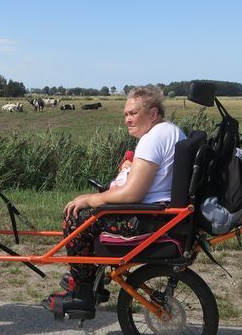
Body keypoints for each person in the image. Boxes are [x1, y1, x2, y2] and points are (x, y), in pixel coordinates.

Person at [42, 85, 186, 320]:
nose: (127, 120)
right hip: (162, 215)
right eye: (126, 115)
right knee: (90, 213)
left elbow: (133, 194)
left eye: (133, 113)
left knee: (76, 220)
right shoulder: (171, 131)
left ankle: (82, 295)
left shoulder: (152, 139)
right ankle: (86, 276)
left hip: (147, 221)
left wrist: (91, 199)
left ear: (152, 114)